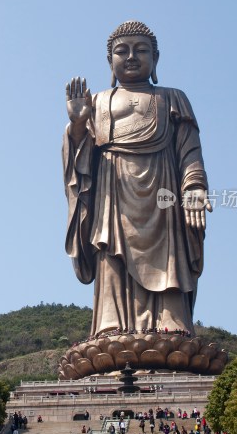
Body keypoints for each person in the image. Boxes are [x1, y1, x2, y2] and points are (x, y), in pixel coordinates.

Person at [63, 19, 211, 342]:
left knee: (169, 261)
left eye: (141, 50)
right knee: (111, 255)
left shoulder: (173, 98)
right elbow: (81, 159)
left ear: (155, 59)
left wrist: (195, 188)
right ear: (110, 62)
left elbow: (190, 150)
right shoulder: (98, 102)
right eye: (122, 50)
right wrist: (77, 126)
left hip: (163, 197)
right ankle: (110, 325)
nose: (131, 56)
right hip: (111, 197)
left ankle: (172, 323)